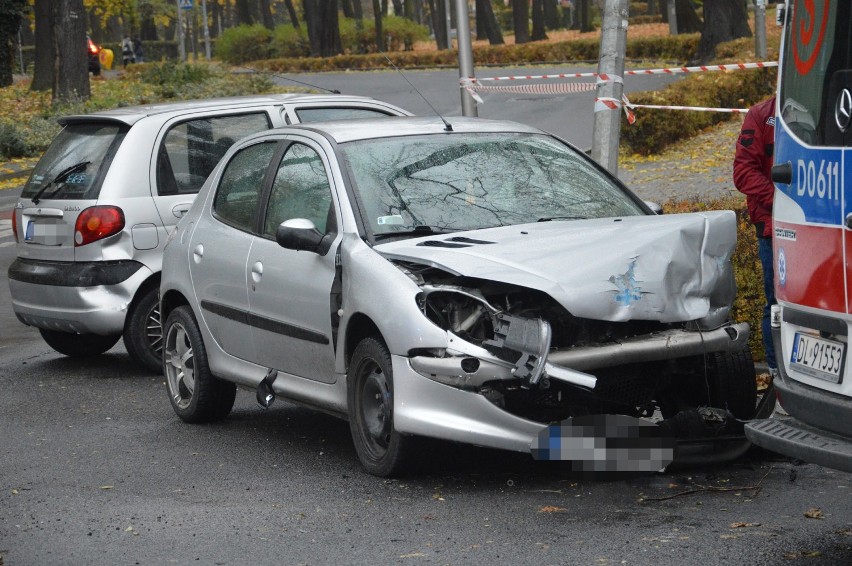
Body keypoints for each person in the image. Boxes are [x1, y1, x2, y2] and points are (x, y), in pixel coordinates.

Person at [733, 95, 777, 379]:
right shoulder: (761, 114)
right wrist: (781, 201)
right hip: (775, 228)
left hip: (820, 226)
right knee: (776, 304)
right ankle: (777, 375)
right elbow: (743, 172)